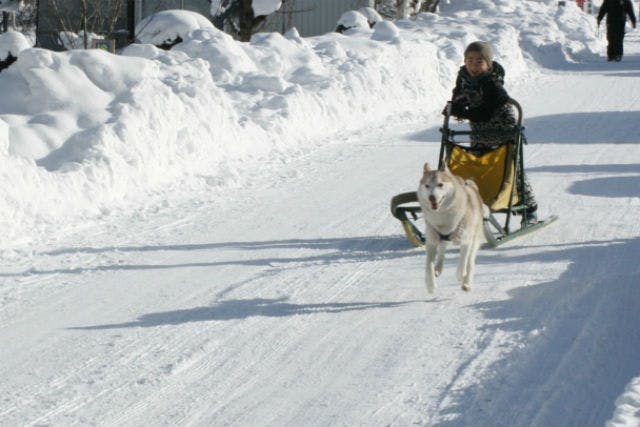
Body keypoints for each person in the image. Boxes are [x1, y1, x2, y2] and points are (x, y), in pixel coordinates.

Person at [448, 41, 538, 225]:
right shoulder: (463, 77)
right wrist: (454, 106)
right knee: (478, 166)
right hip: (480, 130)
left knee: (511, 168)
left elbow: (487, 111)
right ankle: (476, 203)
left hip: (503, 128)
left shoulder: (492, 82)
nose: (474, 65)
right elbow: (458, 96)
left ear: (488, 64)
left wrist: (463, 112)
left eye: (479, 61)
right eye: (470, 60)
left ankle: (529, 209)